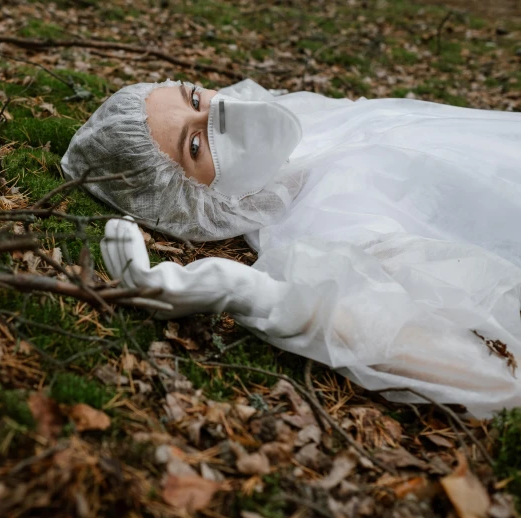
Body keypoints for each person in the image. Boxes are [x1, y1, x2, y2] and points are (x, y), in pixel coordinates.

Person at [61, 79, 521, 418]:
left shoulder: (304, 121)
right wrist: (243, 290)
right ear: (186, 202)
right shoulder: (320, 232)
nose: (220, 114)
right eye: (196, 143)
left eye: (196, 98)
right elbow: (489, 377)